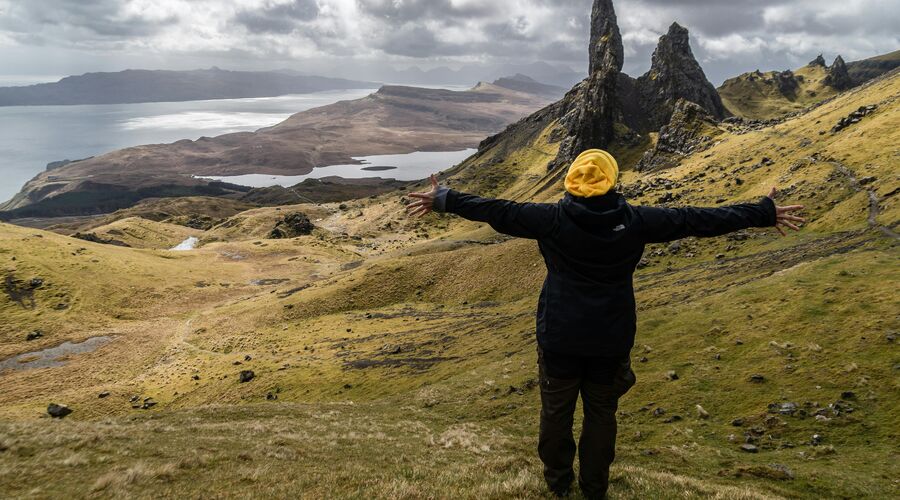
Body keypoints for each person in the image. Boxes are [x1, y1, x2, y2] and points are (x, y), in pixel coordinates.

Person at [405, 149, 805, 499]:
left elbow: (497, 210)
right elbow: (696, 220)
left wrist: (445, 198)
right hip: (611, 338)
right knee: (601, 414)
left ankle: (558, 483)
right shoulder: (636, 221)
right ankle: (595, 489)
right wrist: (762, 212)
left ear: (570, 183)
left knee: (555, 413)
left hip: (560, 335)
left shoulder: (550, 219)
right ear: (613, 181)